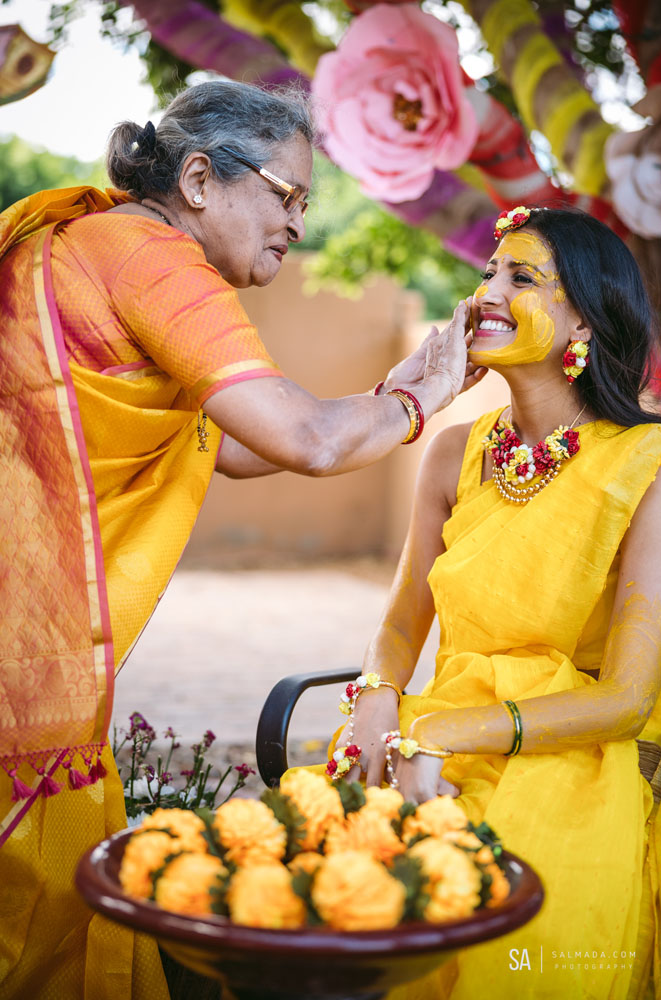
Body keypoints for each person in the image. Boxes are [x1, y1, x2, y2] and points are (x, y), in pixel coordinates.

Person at [0, 80, 482, 999]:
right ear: (196, 177)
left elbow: (229, 445)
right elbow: (301, 438)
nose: (298, 225)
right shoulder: (155, 260)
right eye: (285, 195)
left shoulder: (96, 243)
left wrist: (390, 396)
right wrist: (424, 398)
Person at [330, 207, 661, 999]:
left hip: (573, 763)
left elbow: (627, 698)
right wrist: (378, 700)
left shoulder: (648, 463)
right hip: (428, 743)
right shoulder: (453, 451)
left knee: (515, 938)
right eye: (488, 272)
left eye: (521, 278)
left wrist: (439, 734)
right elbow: (402, 621)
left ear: (582, 313)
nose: (486, 291)